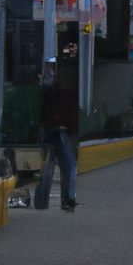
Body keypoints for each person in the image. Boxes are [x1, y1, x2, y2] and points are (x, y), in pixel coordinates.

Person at [34, 82, 78, 211]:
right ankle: (67, 199)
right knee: (67, 167)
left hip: (52, 130)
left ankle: (42, 201)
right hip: (60, 130)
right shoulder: (65, 93)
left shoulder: (48, 92)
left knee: (47, 168)